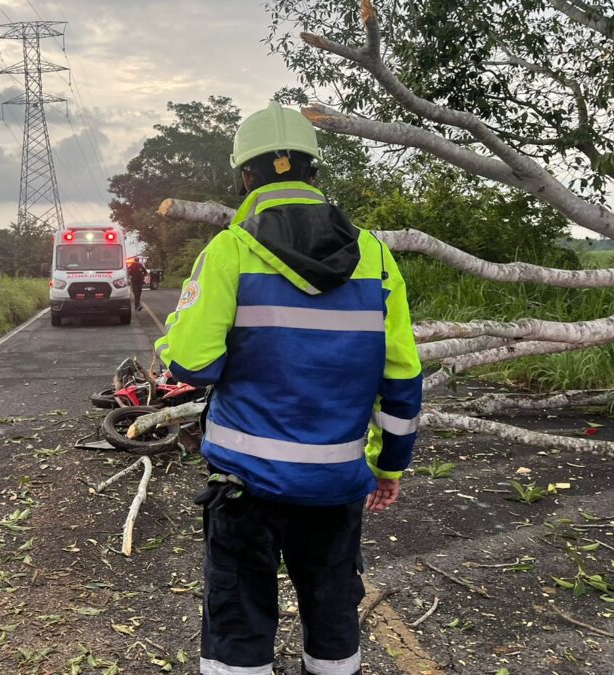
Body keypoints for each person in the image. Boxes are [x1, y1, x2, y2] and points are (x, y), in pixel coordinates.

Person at [154, 103, 422, 675]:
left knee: (239, 618)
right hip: (336, 485)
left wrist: (172, 342)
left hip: (244, 487)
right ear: (312, 171)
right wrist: (390, 465)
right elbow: (401, 373)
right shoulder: (374, 255)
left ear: (245, 176)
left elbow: (191, 365)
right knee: (332, 612)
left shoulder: (229, 251)